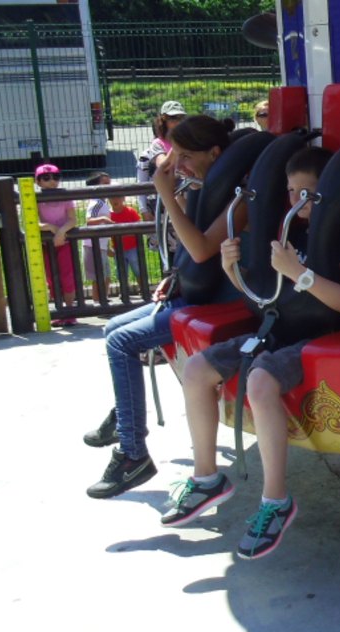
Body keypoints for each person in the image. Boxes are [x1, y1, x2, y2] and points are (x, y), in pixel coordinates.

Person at [169, 146, 340, 560]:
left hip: (321, 338)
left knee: (261, 380)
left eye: (305, 193)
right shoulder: (288, 236)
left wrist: (300, 273)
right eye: (291, 191)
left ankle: (276, 499)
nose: (295, 200)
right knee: (197, 369)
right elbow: (263, 295)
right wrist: (233, 271)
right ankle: (207, 477)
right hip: (275, 330)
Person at [84, 115, 248, 499]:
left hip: (226, 300)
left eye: (187, 157)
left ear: (215, 153)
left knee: (122, 342)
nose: (182, 167)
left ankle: (133, 453)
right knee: (112, 329)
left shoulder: (240, 199)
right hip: (198, 290)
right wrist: (176, 273)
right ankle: (126, 414)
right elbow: (190, 248)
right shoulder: (206, 187)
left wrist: (167, 195)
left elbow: (201, 248)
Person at [35, 163, 78, 319]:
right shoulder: (35, 198)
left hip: (65, 243)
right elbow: (31, 222)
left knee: (67, 277)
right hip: (47, 244)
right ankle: (59, 311)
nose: (52, 181)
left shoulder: (65, 196)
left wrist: (61, 231)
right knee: (52, 278)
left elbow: (73, 219)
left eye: (56, 177)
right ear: (38, 182)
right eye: (46, 178)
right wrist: (49, 227)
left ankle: (70, 311)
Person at [85, 183, 144, 291]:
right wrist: (108, 248)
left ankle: (143, 289)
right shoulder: (109, 215)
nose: (115, 200)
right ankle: (124, 292)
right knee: (121, 271)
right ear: (108, 199)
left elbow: (139, 225)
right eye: (112, 197)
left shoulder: (130, 211)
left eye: (119, 197)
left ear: (124, 198)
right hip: (118, 248)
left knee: (138, 269)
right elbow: (107, 234)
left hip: (133, 247)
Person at [137, 101, 188, 226]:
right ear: (163, 120)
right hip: (167, 199)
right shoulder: (158, 144)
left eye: (181, 118)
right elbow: (164, 166)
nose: (178, 122)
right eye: (173, 118)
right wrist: (177, 145)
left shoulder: (188, 140)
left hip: (187, 194)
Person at [83, 171, 113, 303]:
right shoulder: (97, 203)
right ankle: (98, 301)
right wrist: (103, 219)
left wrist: (108, 246)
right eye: (105, 184)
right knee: (98, 276)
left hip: (102, 245)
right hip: (93, 245)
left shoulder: (104, 203)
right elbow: (89, 220)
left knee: (106, 274)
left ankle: (103, 298)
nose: (109, 186)